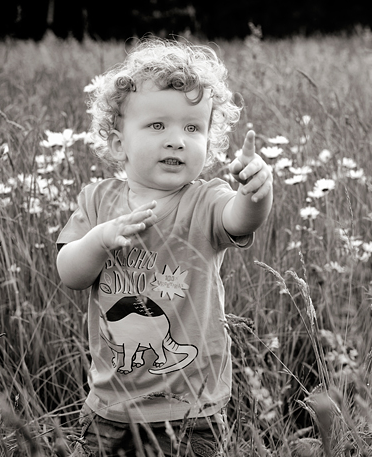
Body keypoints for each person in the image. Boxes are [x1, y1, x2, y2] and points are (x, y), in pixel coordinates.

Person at [56, 38, 273, 457]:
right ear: (119, 143)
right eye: (158, 126)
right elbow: (70, 273)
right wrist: (99, 240)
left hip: (195, 411)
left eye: (193, 128)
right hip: (111, 409)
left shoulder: (206, 200)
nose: (177, 140)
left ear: (209, 142)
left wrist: (256, 192)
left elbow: (241, 218)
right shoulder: (97, 201)